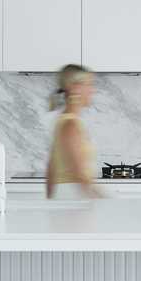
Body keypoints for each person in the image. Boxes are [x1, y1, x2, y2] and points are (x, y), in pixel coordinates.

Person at [45, 64, 104, 199]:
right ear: (75, 87)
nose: (92, 90)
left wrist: (50, 201)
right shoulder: (70, 125)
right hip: (74, 199)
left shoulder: (65, 121)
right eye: (89, 85)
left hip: (68, 199)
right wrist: (106, 202)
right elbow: (80, 175)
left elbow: (51, 168)